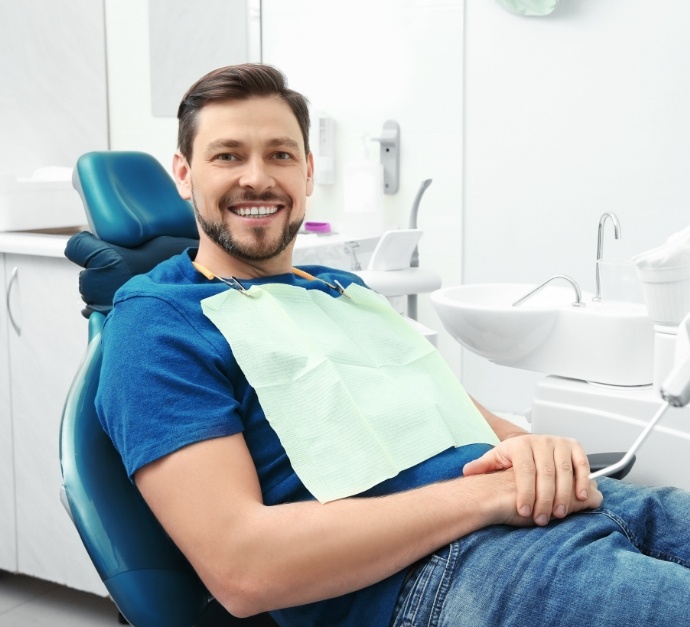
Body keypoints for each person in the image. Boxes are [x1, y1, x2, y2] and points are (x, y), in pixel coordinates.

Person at [97, 63, 690, 627]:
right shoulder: (158, 324)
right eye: (227, 156)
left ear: (306, 172)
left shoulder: (346, 291)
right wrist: (489, 495)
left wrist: (536, 449)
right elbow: (243, 567)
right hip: (443, 573)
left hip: (571, 509)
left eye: (279, 154)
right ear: (183, 172)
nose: (257, 177)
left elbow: (466, 418)